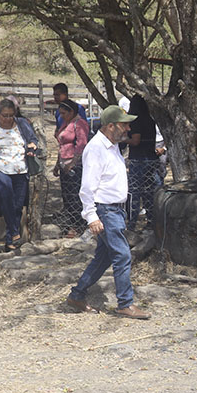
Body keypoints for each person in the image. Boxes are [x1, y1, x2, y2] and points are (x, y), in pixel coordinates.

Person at [65, 105, 150, 320]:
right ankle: (125, 303)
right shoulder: (96, 149)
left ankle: (77, 295)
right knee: (122, 255)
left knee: (103, 258)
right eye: (124, 124)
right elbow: (87, 187)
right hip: (106, 210)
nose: (128, 128)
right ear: (111, 126)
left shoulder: (112, 146)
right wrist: (91, 216)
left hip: (114, 210)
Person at [0, 99, 39, 252]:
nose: (8, 118)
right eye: (4, 115)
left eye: (11, 115)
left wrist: (32, 147)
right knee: (5, 194)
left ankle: (10, 239)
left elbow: (33, 140)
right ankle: (14, 232)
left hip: (20, 169)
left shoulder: (22, 124)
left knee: (17, 205)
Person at [125, 94, 167, 230]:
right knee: (149, 192)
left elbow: (136, 141)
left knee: (135, 192)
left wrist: (122, 139)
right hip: (151, 159)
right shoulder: (150, 119)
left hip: (138, 160)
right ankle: (151, 221)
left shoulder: (135, 121)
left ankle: (131, 224)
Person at [54, 99, 91, 238]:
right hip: (64, 162)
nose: (61, 116)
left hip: (74, 165)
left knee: (75, 195)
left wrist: (73, 162)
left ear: (72, 112)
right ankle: (70, 223)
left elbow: (81, 144)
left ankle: (79, 225)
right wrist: (58, 164)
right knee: (67, 195)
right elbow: (61, 144)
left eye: (64, 113)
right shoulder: (65, 123)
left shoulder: (79, 124)